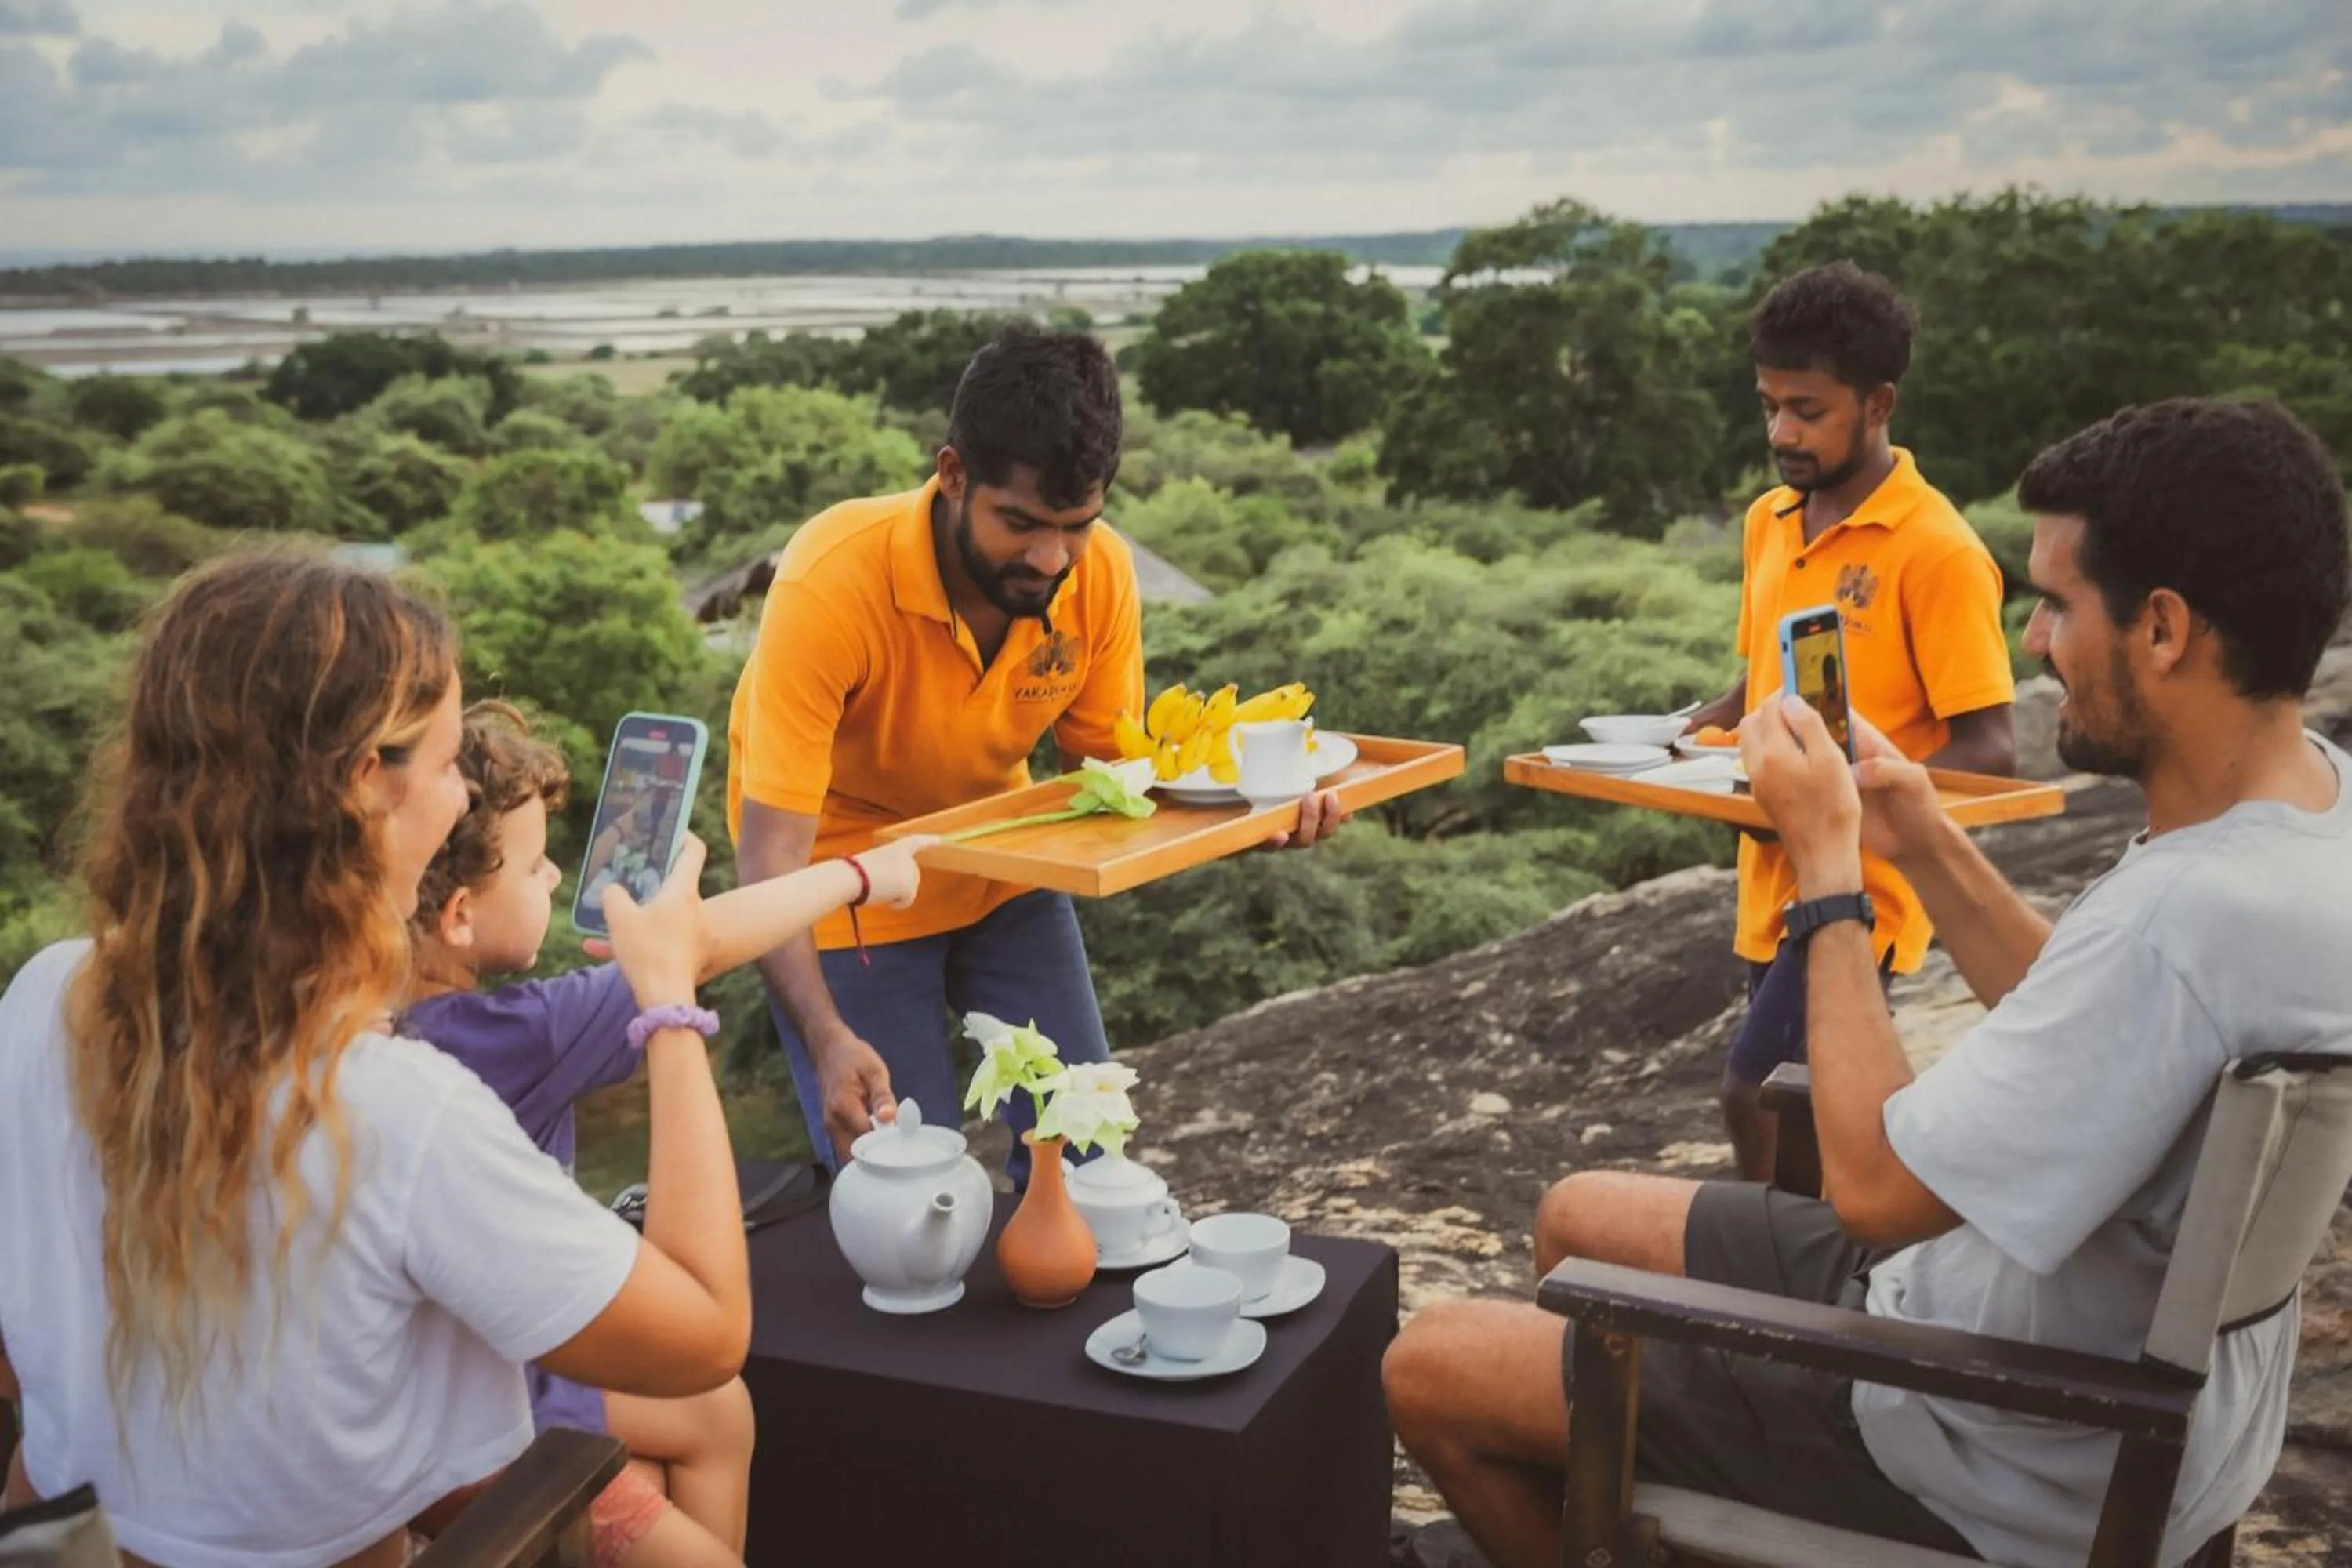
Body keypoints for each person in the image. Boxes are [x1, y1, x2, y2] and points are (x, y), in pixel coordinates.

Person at [1384, 397, 2352, 1568]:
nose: (2035, 642)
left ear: (2162, 628)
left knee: (1431, 1367)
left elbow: (1879, 1192)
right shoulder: (2309, 814)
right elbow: (2094, 1014)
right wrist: (1921, 836)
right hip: (2084, 1357)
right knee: (1575, 1218)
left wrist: (1830, 867)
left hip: (1990, 1435)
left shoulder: (2180, 921)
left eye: (2055, 604)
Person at [0, 550, 754, 1568]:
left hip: (81, 1537)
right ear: (365, 783)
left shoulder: (48, 994)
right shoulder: (391, 1110)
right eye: (448, 765)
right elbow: (706, 1337)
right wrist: (668, 1005)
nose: (458, 801)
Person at [728, 323, 1345, 1178]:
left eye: (1077, 525)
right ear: (952, 475)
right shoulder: (829, 582)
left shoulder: (1101, 576)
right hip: (843, 887)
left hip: (1002, 864)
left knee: (1092, 1154)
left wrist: (1258, 813)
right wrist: (826, 1039)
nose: (1051, 558)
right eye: (1019, 522)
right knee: (909, 1184)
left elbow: (1118, 791)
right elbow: (768, 860)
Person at [398, 703, 931, 1567]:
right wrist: (862, 875)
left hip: (473, 1353)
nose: (557, 875)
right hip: (486, 1396)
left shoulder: (377, 1012)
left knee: (717, 1410)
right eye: (535, 867)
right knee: (696, 1430)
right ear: (458, 912)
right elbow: (706, 943)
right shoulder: (512, 1030)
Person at [1681, 261, 2016, 1183]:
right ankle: (1817, 1279)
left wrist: (1851, 797)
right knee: (1798, 1103)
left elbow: (1991, 742)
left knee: (1755, 1093)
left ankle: (1774, 1284)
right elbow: (1756, 684)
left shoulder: (1936, 547)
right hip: (1773, 865)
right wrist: (1680, 730)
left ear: (1879, 404)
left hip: (1867, 884)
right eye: (1768, 405)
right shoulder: (1769, 520)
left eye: (1808, 410)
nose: (1781, 431)